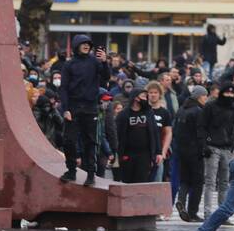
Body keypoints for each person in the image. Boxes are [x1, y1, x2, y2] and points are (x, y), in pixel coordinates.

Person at [59, 34, 109, 186]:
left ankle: (91, 174)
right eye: (83, 43)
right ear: (76, 46)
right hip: (73, 107)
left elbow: (106, 77)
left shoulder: (95, 61)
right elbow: (63, 88)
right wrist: (65, 109)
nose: (87, 46)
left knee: (90, 142)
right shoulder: (69, 65)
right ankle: (71, 170)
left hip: (90, 107)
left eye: (88, 44)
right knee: (69, 141)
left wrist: (105, 62)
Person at [201, 81, 234, 217]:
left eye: (231, 93)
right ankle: (207, 213)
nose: (229, 95)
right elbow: (202, 126)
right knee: (210, 182)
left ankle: (222, 214)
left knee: (224, 182)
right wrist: (205, 144)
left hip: (227, 148)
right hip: (212, 147)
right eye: (227, 92)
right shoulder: (210, 106)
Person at [173, 86, 208, 222]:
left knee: (185, 180)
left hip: (182, 151)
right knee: (198, 183)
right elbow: (200, 133)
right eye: (205, 96)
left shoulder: (182, 109)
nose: (206, 98)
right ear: (199, 96)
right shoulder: (198, 111)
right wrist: (204, 148)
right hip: (195, 152)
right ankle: (193, 212)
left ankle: (181, 200)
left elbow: (176, 130)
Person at [116, 88, 162, 184]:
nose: (146, 99)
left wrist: (158, 152)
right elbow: (118, 135)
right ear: (136, 98)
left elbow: (155, 132)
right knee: (127, 182)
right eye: (143, 96)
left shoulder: (148, 112)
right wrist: (119, 154)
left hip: (145, 154)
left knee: (142, 182)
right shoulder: (123, 114)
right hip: (128, 154)